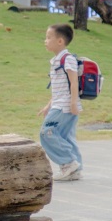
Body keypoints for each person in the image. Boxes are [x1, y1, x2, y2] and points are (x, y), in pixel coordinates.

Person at [37, 22, 84, 183]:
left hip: (65, 106)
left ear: (60, 41)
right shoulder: (57, 60)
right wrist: (48, 106)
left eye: (48, 37)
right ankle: (75, 169)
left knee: (47, 133)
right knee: (66, 136)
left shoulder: (67, 59)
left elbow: (73, 82)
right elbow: (60, 88)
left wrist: (73, 103)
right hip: (61, 104)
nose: (45, 41)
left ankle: (68, 163)